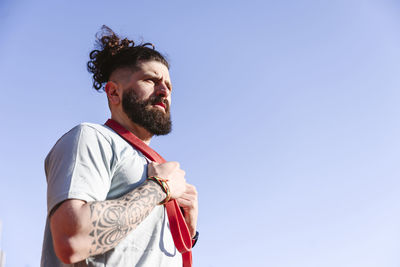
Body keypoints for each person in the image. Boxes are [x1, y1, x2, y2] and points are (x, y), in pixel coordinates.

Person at [41, 26, 199, 267]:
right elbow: (71, 240)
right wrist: (160, 189)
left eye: (169, 85)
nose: (164, 90)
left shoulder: (158, 168)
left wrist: (188, 233)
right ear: (114, 92)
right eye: (151, 80)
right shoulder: (92, 138)